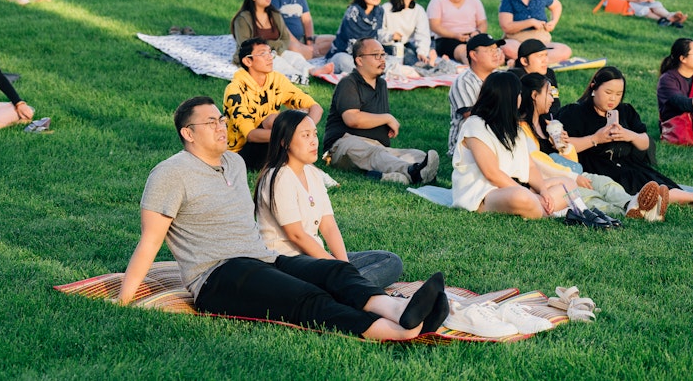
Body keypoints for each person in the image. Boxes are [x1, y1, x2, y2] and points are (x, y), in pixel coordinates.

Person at [118, 96, 447, 341]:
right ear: (188, 134)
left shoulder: (233, 163)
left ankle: (401, 311)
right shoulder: (170, 174)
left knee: (335, 270)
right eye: (211, 123)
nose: (222, 126)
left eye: (221, 119)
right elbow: (151, 239)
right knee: (305, 297)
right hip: (217, 275)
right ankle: (397, 332)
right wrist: (124, 298)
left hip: (264, 258)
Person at [256, 109, 405, 289]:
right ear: (284, 142)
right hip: (288, 264)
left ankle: (345, 287)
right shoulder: (278, 177)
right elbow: (296, 235)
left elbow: (328, 226)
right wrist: (338, 268)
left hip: (316, 258)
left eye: (315, 134)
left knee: (390, 261)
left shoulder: (312, 173)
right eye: (305, 135)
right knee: (351, 276)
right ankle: (348, 289)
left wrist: (343, 265)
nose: (314, 141)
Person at [559, 66, 693, 209]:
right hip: (597, 166)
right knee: (640, 186)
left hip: (627, 163)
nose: (613, 99)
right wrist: (595, 138)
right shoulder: (574, 112)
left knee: (655, 180)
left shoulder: (625, 110)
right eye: (608, 93)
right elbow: (562, 147)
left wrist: (628, 135)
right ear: (594, 87)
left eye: (618, 94)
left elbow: (645, 143)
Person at [519, 72, 661, 222]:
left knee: (605, 184)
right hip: (552, 181)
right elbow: (538, 165)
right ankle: (634, 210)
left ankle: (631, 203)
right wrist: (573, 177)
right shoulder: (522, 130)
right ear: (535, 95)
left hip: (570, 173)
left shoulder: (547, 124)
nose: (552, 99)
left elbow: (569, 160)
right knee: (589, 196)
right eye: (549, 94)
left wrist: (565, 147)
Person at [452, 72, 578, 218]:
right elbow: (492, 174)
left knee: (569, 185)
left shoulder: (515, 128)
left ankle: (538, 206)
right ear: (509, 97)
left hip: (518, 187)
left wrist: (543, 191)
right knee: (521, 197)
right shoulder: (474, 125)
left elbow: (530, 167)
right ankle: (544, 208)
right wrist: (528, 194)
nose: (520, 98)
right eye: (518, 94)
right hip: (485, 193)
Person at [324, 38, 439, 185]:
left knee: (418, 155)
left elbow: (374, 117)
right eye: (376, 55)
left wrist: (384, 127)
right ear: (359, 60)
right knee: (374, 153)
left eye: (383, 55)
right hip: (343, 146)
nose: (382, 60)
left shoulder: (381, 84)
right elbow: (352, 118)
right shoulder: (348, 83)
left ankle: (393, 176)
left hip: (377, 147)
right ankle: (413, 172)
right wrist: (387, 118)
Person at [224, 38, 323, 171]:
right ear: (248, 61)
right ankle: (307, 167)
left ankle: (305, 166)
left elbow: (315, 107)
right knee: (276, 120)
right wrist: (288, 134)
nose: (270, 57)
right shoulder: (235, 89)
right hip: (242, 151)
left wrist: (306, 128)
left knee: (301, 114)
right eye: (263, 54)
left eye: (270, 53)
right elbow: (250, 135)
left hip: (269, 140)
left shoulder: (276, 79)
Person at [230, 0, 329, 83]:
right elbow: (245, 45)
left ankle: (313, 70)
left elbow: (286, 38)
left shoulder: (274, 14)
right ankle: (299, 76)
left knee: (295, 57)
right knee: (277, 62)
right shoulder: (243, 19)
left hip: (276, 50)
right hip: (256, 56)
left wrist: (278, 48)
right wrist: (270, 46)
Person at [447, 33, 505, 156]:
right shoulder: (463, 82)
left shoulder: (500, 76)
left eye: (496, 49)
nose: (496, 54)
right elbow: (473, 117)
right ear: (474, 55)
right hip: (466, 147)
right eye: (489, 50)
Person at [426, 0, 488, 64]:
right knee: (465, 51)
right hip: (447, 38)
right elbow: (434, 26)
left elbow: (482, 23)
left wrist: (477, 32)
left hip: (471, 36)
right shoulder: (438, 1)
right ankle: (473, 70)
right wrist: (455, 35)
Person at [326, 0, 385, 74]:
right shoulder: (353, 12)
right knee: (344, 61)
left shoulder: (379, 11)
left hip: (369, 56)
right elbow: (351, 39)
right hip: (346, 53)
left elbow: (376, 37)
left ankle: (371, 72)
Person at [380, 0, 436, 66]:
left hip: (406, 43)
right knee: (409, 56)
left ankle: (426, 65)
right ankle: (421, 67)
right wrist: (391, 36)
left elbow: (423, 34)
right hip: (387, 44)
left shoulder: (418, 10)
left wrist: (422, 52)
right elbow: (378, 32)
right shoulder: (386, 8)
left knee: (425, 54)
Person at [509, 39, 562, 116]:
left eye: (546, 55)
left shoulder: (549, 73)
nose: (545, 60)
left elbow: (555, 103)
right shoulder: (514, 77)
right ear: (524, 61)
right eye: (540, 56)